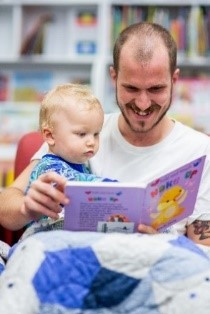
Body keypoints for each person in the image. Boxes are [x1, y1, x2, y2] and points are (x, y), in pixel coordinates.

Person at [1, 22, 210, 246]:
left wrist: (161, 245)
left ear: (174, 80)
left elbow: (203, 255)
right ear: (114, 77)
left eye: (155, 89)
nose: (142, 103)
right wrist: (27, 208)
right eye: (131, 88)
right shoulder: (81, 131)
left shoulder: (201, 151)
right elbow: (6, 207)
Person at [20, 83, 117, 238]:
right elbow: (77, 183)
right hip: (43, 236)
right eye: (81, 134)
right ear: (50, 136)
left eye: (96, 134)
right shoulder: (49, 167)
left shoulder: (81, 165)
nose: (91, 141)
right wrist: (115, 188)